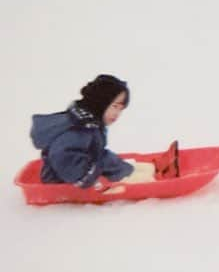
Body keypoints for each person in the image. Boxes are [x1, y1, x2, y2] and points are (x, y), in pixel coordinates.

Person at [30, 74, 177, 190]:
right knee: (115, 169)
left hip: (85, 165)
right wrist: (93, 178)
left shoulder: (91, 123)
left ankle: (150, 169)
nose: (117, 113)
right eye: (114, 106)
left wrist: (112, 165)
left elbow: (96, 153)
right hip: (63, 179)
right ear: (100, 103)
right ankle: (148, 181)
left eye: (121, 109)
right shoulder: (77, 131)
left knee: (110, 160)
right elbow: (64, 159)